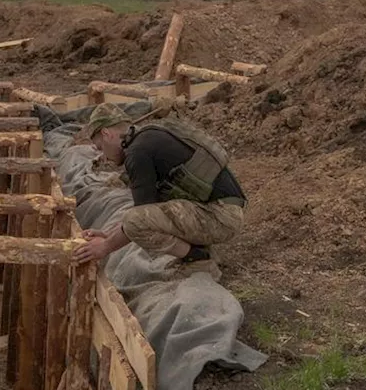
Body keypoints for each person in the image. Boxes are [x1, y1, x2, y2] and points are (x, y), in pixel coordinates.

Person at [71, 102, 247, 274]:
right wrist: (107, 234)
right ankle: (200, 251)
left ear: (106, 133)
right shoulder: (147, 139)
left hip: (220, 217)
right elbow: (149, 211)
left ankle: (198, 258)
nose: (104, 156)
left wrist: (105, 247)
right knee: (139, 218)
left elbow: (139, 219)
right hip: (222, 211)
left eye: (101, 147)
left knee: (135, 221)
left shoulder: (137, 153)